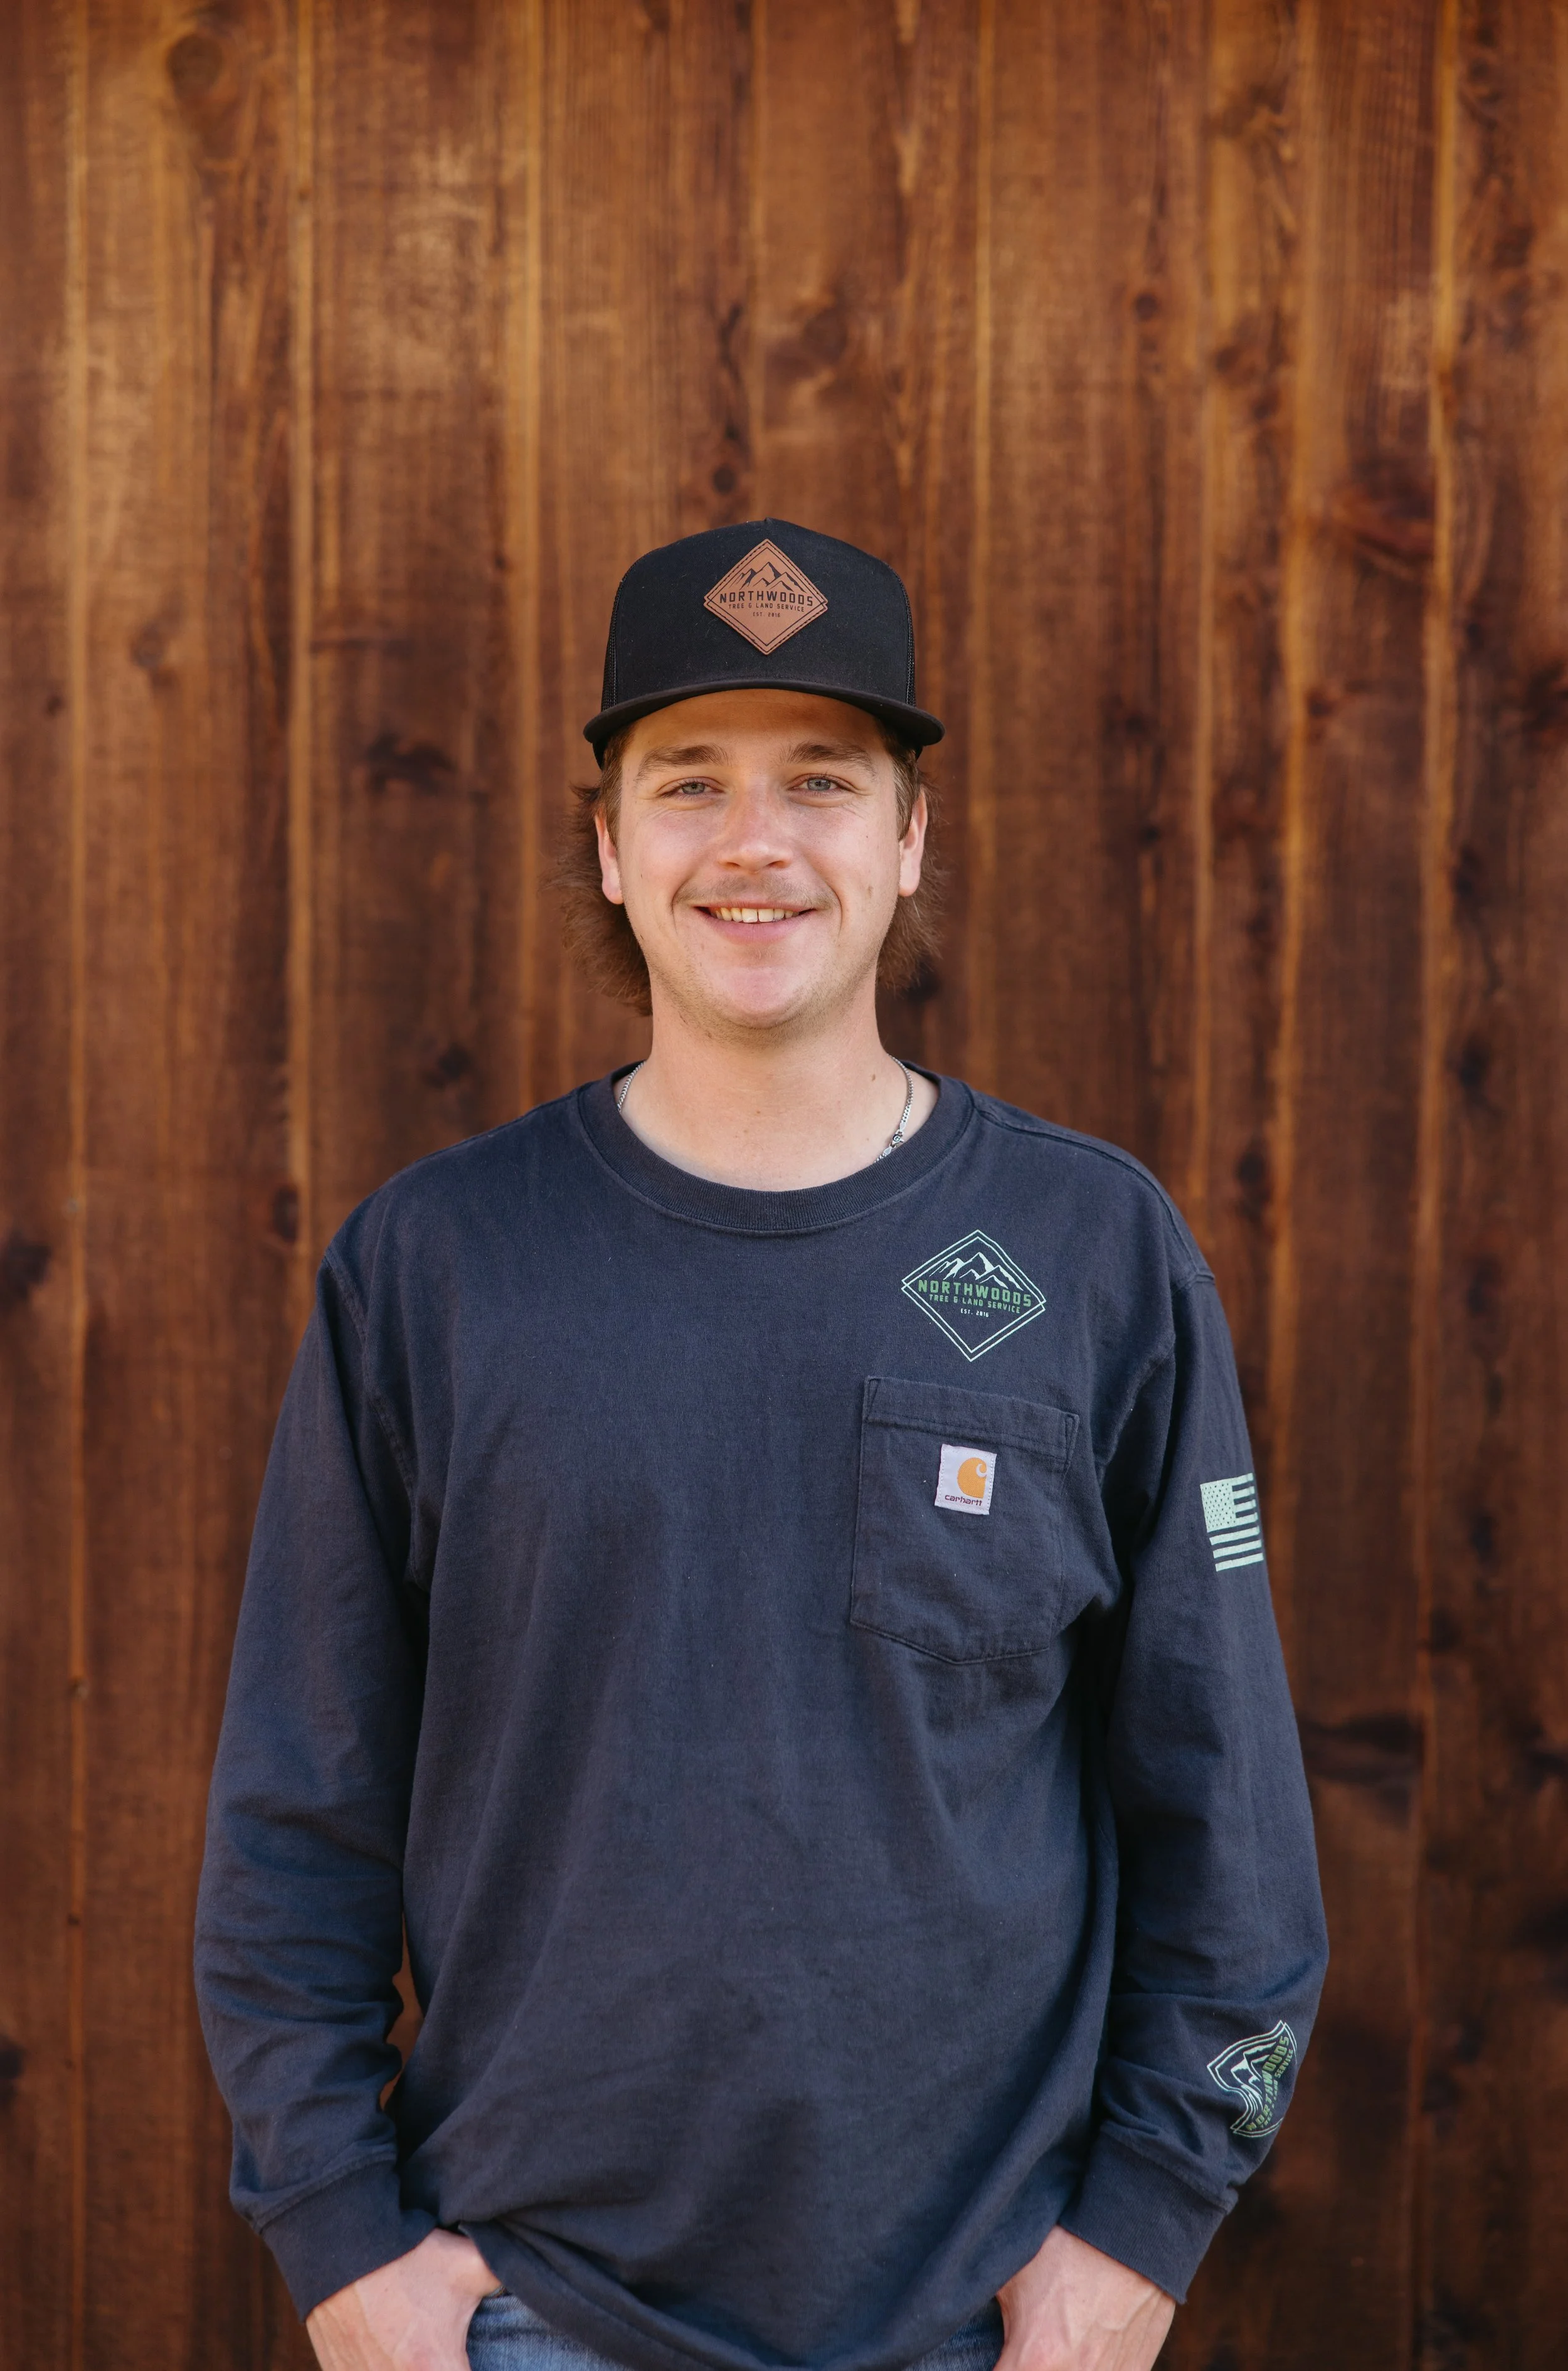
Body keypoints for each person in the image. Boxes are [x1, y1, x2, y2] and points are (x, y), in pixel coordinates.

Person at [196, 521, 1327, 2371]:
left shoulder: (1090, 1258)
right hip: (527, 2312)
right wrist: (341, 2243)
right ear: (608, 844)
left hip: (981, 2315)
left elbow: (1233, 1825)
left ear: (906, 840)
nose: (753, 840)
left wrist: (1140, 2228)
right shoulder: (439, 1268)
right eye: (688, 781)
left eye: (820, 779)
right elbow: (294, 1812)